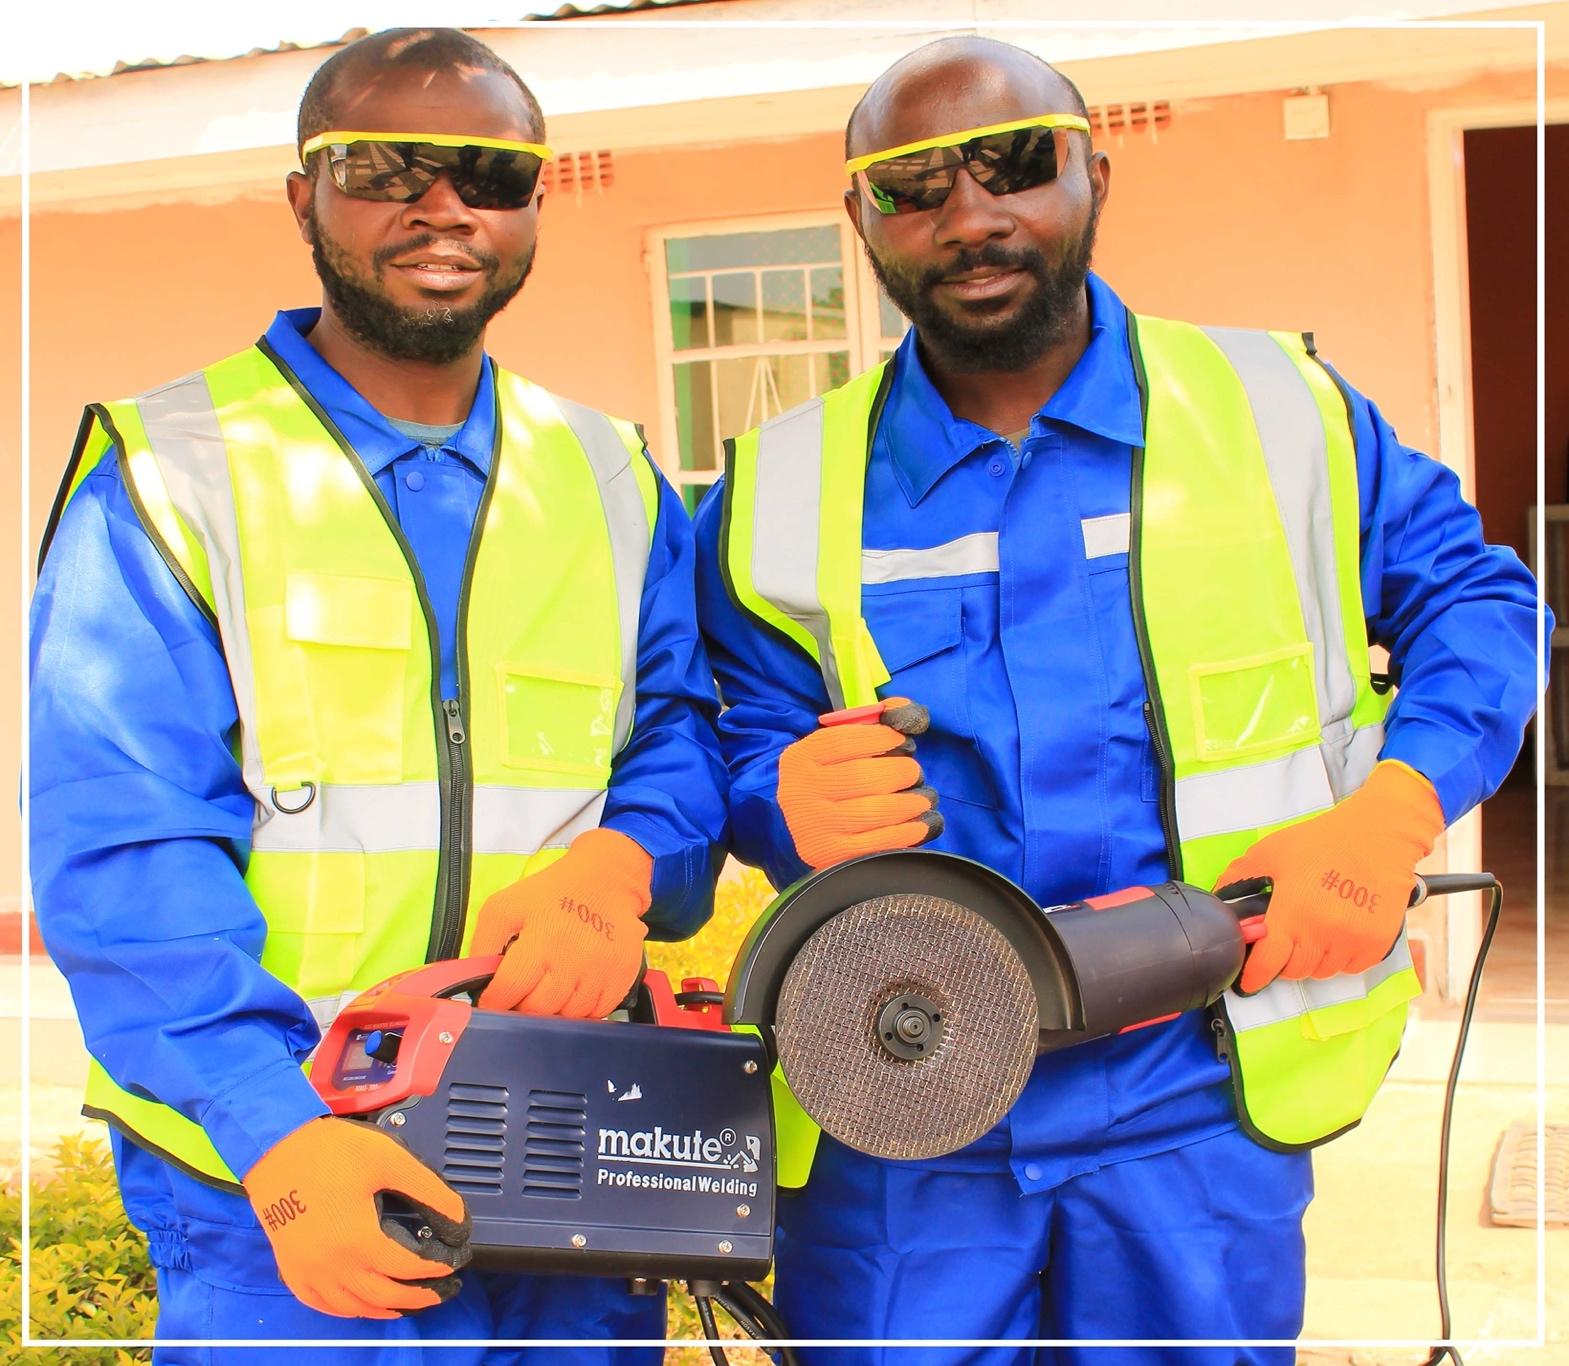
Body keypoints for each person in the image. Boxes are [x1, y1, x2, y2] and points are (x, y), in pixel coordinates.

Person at [693, 34, 1545, 1365]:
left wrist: (1389, 817)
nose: (971, 217)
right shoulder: (776, 487)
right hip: (901, 1104)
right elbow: (731, 732)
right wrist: (777, 795)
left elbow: (1481, 607)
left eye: (1015, 165)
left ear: (1095, 169)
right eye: (913, 186)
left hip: (1194, 1097)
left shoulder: (1281, 412)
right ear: (857, 214)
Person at [30, 27, 727, 1362]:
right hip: (279, 1184)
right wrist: (280, 1140)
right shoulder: (172, 473)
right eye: (384, 167)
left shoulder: (608, 474)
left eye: (488, 172)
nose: (440, 203)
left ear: (536, 203)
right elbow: (124, 857)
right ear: (304, 198)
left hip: (569, 1136)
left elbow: (676, 729)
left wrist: (621, 866)